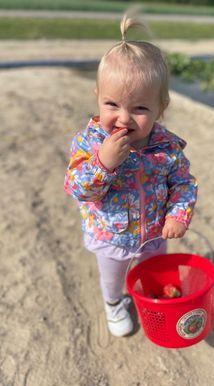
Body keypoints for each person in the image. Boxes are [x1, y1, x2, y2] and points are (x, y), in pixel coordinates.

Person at [64, 12, 198, 337]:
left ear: (160, 108)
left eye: (139, 108)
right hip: (110, 237)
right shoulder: (89, 143)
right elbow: (77, 187)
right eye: (112, 104)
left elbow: (183, 183)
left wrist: (178, 215)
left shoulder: (167, 148)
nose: (123, 118)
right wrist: (103, 164)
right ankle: (114, 304)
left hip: (153, 234)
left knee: (152, 274)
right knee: (112, 278)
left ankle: (148, 298)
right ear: (97, 96)